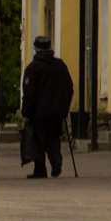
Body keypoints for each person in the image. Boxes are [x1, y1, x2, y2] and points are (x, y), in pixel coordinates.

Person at [20, 34, 75, 179]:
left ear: (36, 49)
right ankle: (56, 159)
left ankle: (40, 169)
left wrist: (26, 111)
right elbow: (70, 88)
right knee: (53, 137)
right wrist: (65, 107)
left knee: (38, 139)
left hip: (39, 113)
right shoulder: (60, 65)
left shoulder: (33, 68)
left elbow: (29, 92)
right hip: (57, 112)